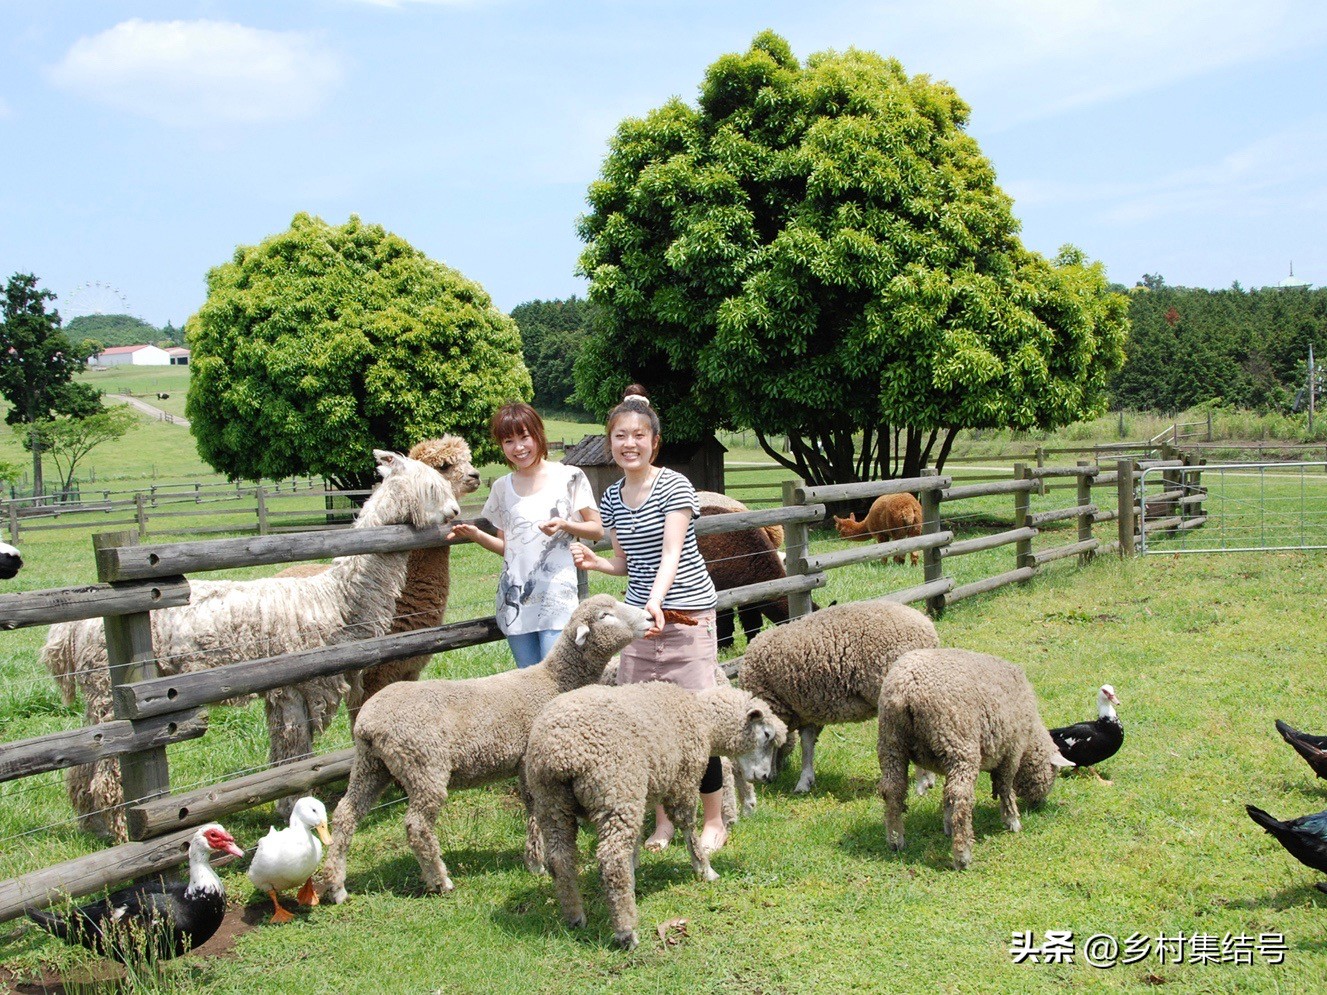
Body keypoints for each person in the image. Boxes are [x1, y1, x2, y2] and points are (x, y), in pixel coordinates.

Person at [570, 385, 727, 853]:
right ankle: (663, 823)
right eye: (620, 436)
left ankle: (714, 820)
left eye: (638, 435)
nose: (629, 443)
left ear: (654, 442)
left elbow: (671, 554)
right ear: (610, 443)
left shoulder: (674, 486)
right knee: (645, 723)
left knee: (697, 721)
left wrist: (655, 602)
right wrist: (598, 563)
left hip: (685, 618)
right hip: (639, 625)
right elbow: (627, 562)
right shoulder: (612, 497)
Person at [448, 402, 603, 668]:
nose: (518, 447)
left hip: (557, 599)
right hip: (515, 602)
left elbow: (597, 529)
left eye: (524, 437)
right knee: (527, 680)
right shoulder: (502, 487)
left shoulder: (570, 476)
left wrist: (565, 525)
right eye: (508, 441)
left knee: (558, 677)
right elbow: (508, 548)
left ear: (538, 435)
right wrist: (476, 535)